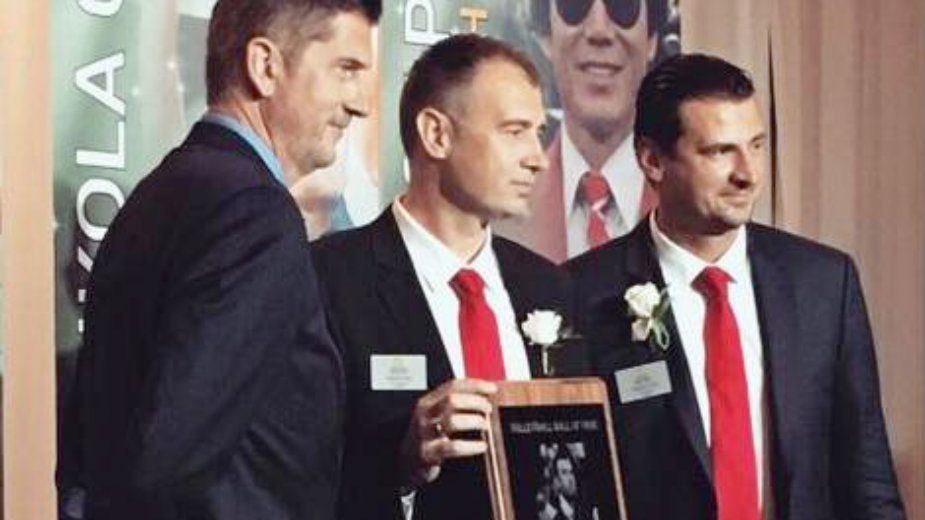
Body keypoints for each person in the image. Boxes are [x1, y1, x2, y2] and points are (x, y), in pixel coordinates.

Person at [61, 1, 380, 519]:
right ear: (265, 65)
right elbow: (168, 456)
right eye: (346, 70)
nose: (360, 103)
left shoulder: (158, 194)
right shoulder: (255, 214)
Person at [567, 53, 906, 520]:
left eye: (756, 145)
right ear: (652, 160)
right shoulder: (582, 293)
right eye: (719, 152)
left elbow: (867, 476)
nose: (747, 173)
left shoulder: (824, 282)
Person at [311, 34, 587, 520]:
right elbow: (288, 475)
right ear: (436, 134)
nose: (538, 157)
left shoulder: (550, 287)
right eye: (514, 131)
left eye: (539, 132)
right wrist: (402, 464)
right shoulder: (327, 279)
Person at [496, 0, 671, 262]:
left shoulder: (697, 207)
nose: (599, 30)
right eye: (575, 5)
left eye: (622, 6)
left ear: (651, 40)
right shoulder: (495, 218)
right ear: (546, 36)